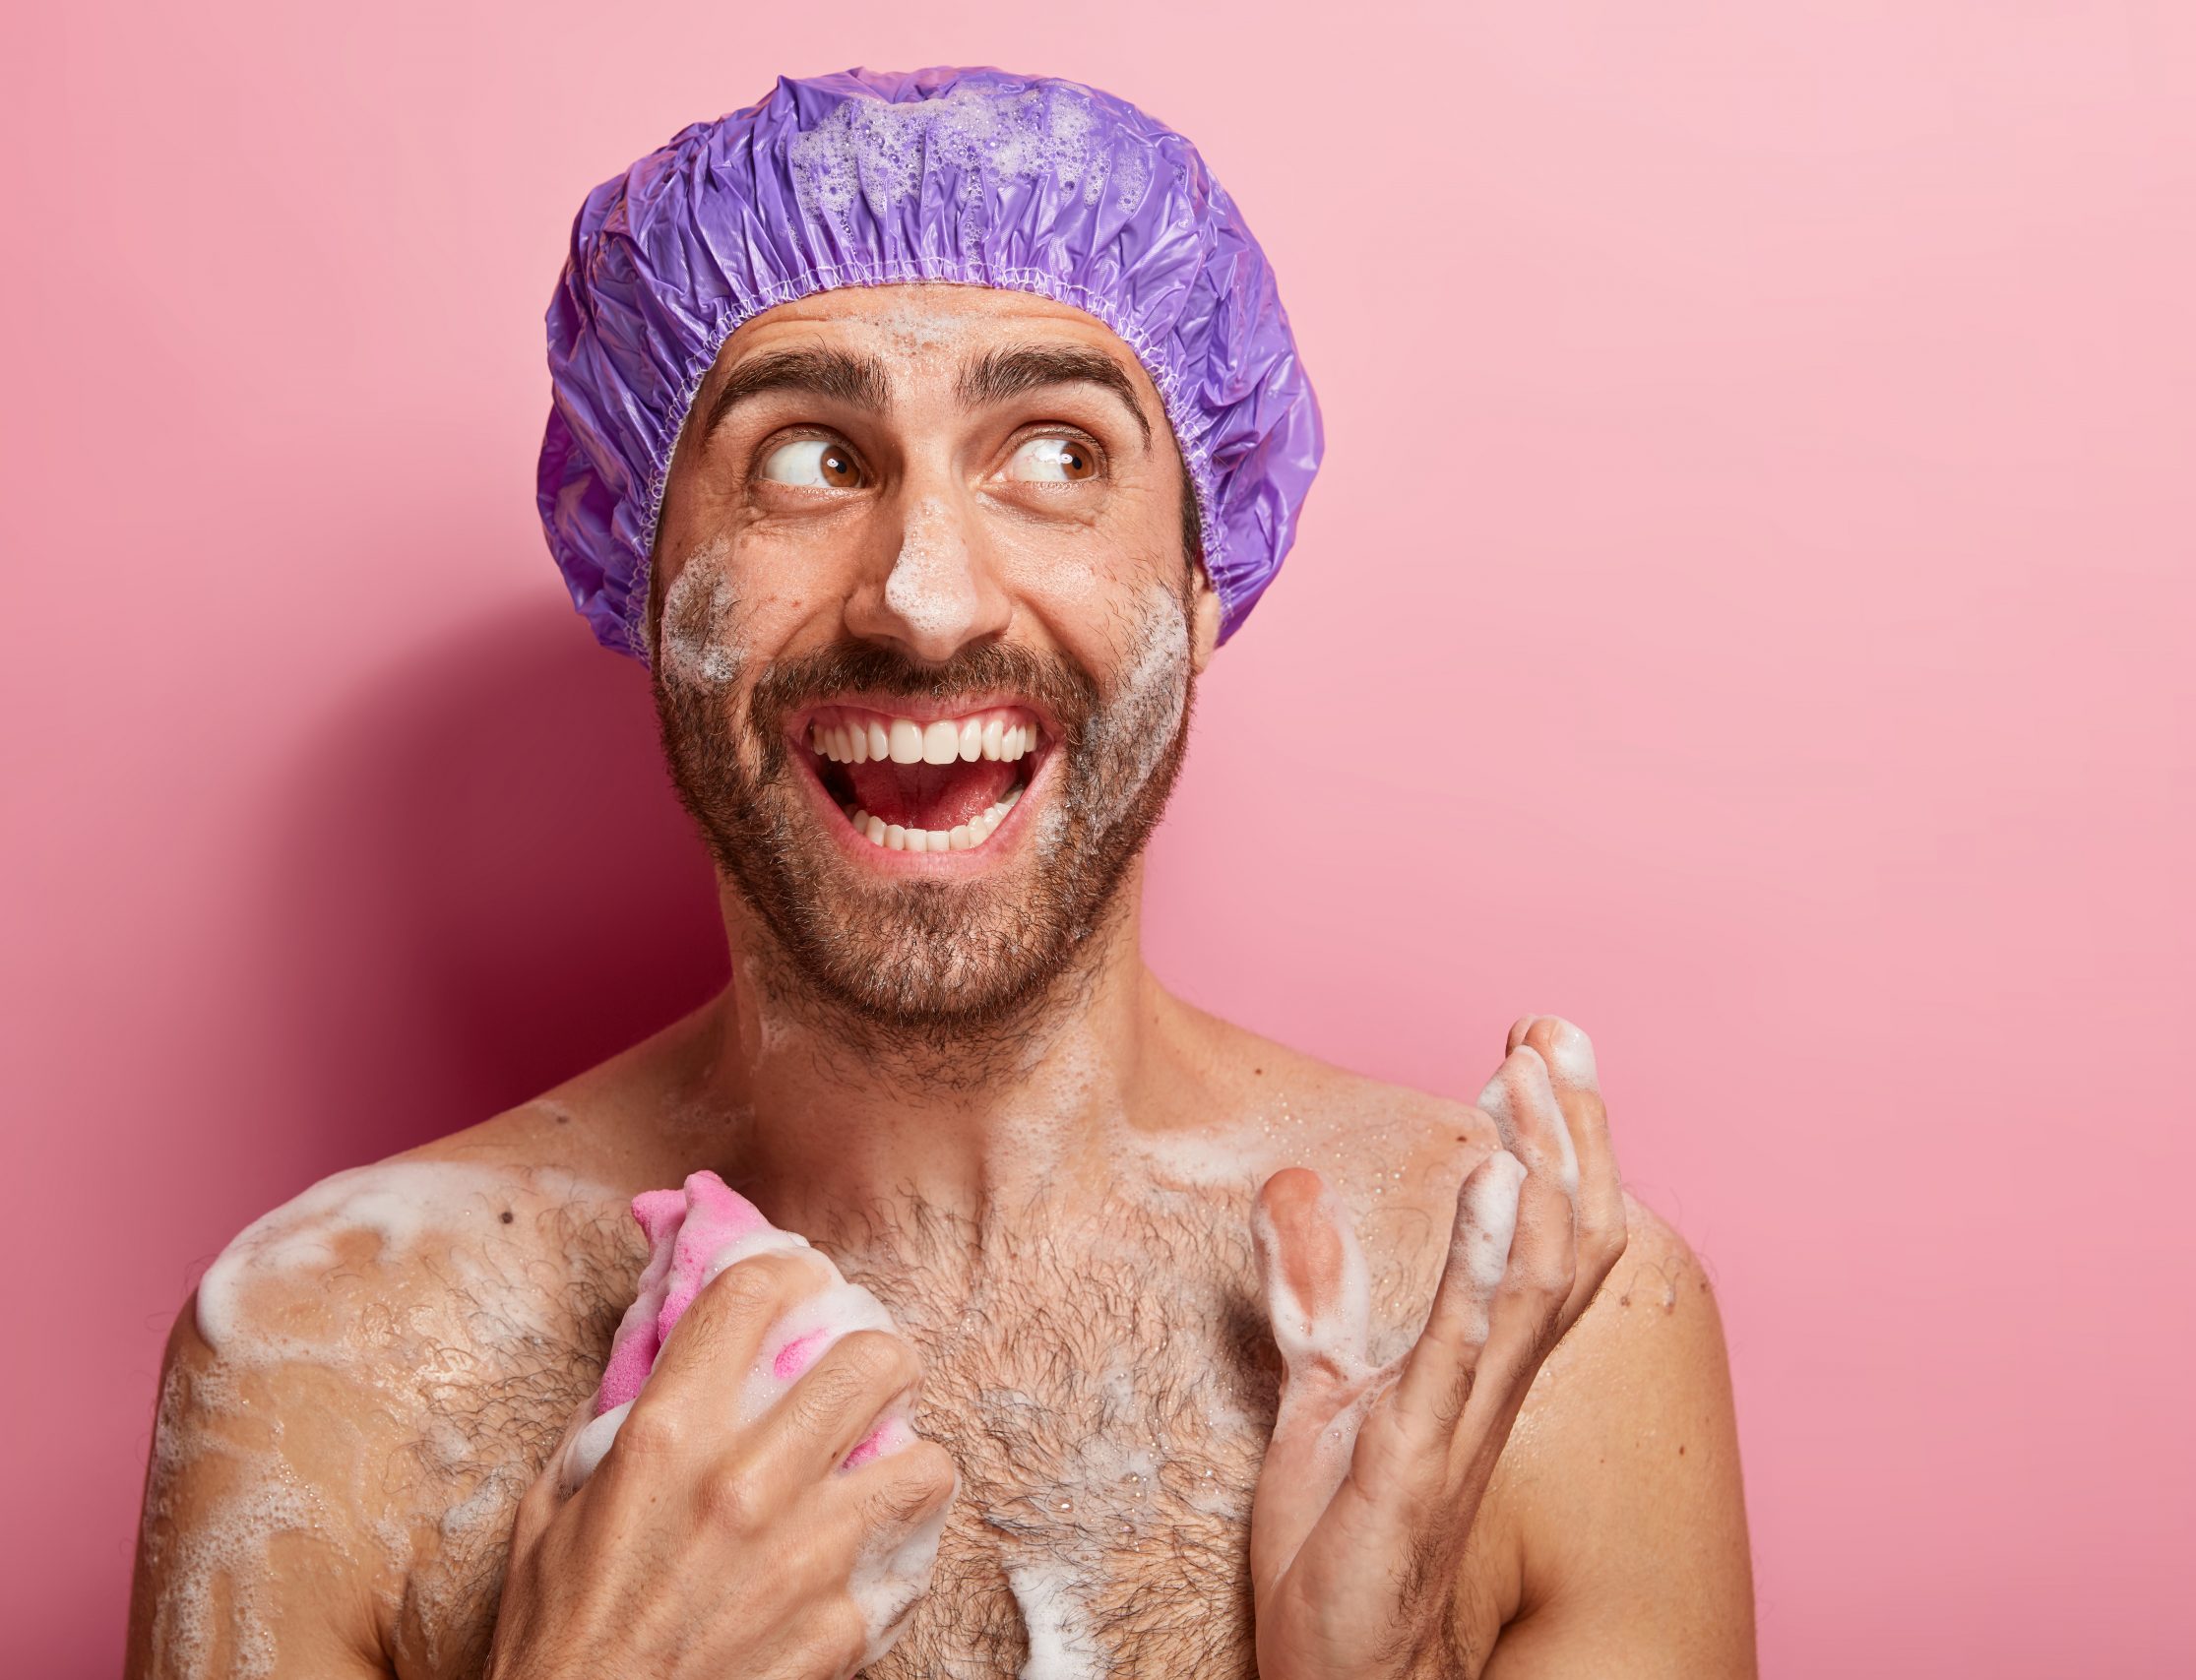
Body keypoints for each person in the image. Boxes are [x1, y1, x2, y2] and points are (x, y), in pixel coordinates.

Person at [127, 67, 1755, 1679]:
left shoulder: (1536, 1352)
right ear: (648, 558)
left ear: (1198, 584)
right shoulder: (327, 1372)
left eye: (1052, 454)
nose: (924, 598)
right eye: (809, 459)